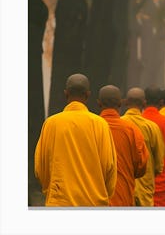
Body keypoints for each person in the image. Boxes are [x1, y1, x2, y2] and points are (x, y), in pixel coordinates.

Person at [34, 73, 117, 206]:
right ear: (88, 95)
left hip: (60, 203)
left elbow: (40, 168)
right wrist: (101, 193)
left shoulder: (51, 124)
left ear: (66, 94)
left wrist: (51, 190)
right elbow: (109, 166)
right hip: (93, 203)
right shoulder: (100, 124)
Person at [98, 85, 149, 206]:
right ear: (121, 103)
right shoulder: (131, 130)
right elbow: (141, 166)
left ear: (99, 103)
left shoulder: (90, 128)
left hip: (94, 197)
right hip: (123, 197)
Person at [121, 87, 165, 206]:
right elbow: (159, 164)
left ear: (125, 102)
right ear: (144, 103)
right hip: (145, 187)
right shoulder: (152, 127)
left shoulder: (118, 124)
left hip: (122, 187)